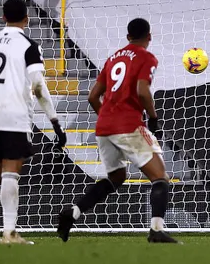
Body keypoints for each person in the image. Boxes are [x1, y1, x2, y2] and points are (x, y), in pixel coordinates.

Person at [56, 18, 177, 244]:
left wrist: (108, 118)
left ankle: (72, 213)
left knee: (116, 177)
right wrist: (153, 117)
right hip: (129, 124)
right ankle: (157, 230)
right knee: (160, 177)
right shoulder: (146, 57)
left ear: (127, 37)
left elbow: (93, 96)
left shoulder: (112, 59)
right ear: (149, 36)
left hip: (104, 127)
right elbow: (142, 91)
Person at [0, 0, 67, 244]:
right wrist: (55, 122)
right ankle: (10, 232)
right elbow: (38, 86)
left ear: (2, 17)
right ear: (27, 19)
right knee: (11, 172)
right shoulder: (29, 45)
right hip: (15, 116)